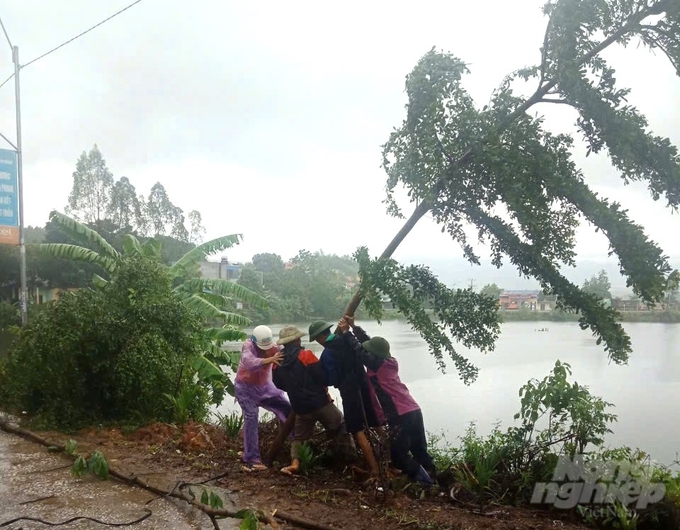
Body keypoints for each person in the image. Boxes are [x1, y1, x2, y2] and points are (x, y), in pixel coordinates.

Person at [337, 316, 435, 487]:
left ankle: (426, 483)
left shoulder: (375, 364)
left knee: (398, 457)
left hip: (400, 415)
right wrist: (355, 328)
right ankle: (435, 478)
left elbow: (360, 351)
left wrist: (346, 332)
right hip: (413, 409)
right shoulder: (389, 361)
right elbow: (370, 346)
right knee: (419, 450)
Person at [272, 325, 357, 475]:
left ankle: (295, 463)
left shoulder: (277, 361)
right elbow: (322, 377)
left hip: (300, 407)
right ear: (297, 340)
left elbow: (278, 384)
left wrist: (294, 390)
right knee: (340, 425)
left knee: (300, 437)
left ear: (284, 343)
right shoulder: (306, 355)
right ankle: (350, 462)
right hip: (320, 403)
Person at [308, 319, 384, 478]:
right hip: (364, 385)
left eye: (316, 340)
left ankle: (375, 470)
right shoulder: (347, 340)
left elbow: (331, 379)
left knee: (357, 429)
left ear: (320, 338)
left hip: (349, 392)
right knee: (375, 422)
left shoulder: (328, 353)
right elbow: (363, 350)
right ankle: (391, 461)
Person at [234, 325, 292, 472]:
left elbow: (286, 355)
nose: (265, 349)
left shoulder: (274, 348)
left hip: (265, 388)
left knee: (287, 408)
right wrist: (270, 359)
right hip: (245, 389)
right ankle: (252, 458)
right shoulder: (248, 346)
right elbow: (250, 363)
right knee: (251, 418)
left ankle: (296, 445)